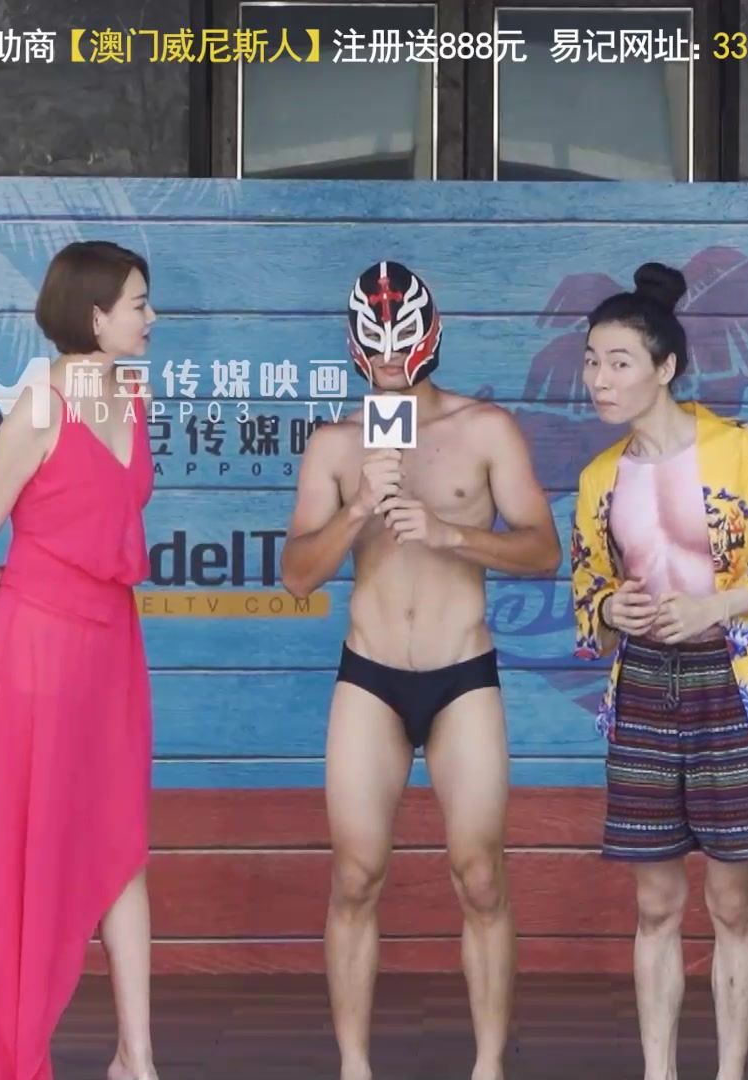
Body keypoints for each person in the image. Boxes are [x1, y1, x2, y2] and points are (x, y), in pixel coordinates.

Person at [279, 260, 563, 1080]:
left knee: (480, 876)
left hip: (460, 672)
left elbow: (544, 550)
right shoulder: (336, 444)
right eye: (376, 348)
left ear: (430, 339)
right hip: (370, 674)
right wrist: (359, 509)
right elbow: (297, 575)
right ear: (354, 347)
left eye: (401, 345)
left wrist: (450, 534)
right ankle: (354, 1066)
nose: (389, 362)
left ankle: (488, 1065)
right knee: (356, 874)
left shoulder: (486, 430)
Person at [567, 262, 748, 1080]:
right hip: (645, 686)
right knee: (654, 903)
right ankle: (659, 1070)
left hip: (732, 681)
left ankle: (729, 1071)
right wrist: (611, 609)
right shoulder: (599, 479)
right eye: (591, 361)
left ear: (666, 367)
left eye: (619, 362)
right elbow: (587, 586)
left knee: (729, 902)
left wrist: (717, 605)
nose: (599, 379)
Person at [0, 240, 162, 1080]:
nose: (150, 318)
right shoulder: (39, 407)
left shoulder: (133, 396)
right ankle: (13, 1045)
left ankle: (136, 1057)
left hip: (112, 641)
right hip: (36, 640)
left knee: (121, 840)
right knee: (38, 842)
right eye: (138, 303)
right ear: (96, 316)